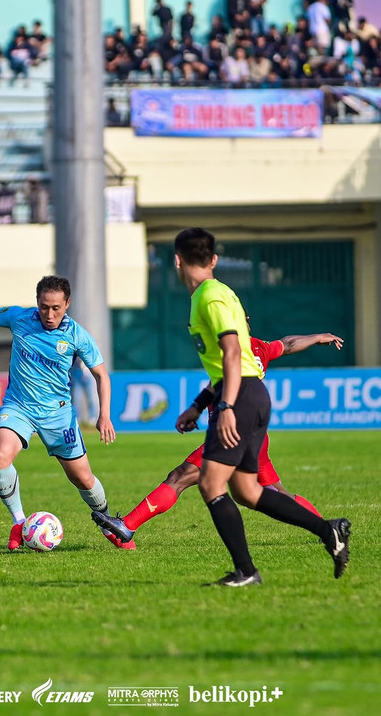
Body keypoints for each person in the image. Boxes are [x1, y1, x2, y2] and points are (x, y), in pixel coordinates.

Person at [139, 228, 350, 586]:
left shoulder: (210, 297)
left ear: (177, 260)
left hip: (242, 396)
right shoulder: (215, 294)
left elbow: (234, 354)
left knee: (210, 484)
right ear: (214, 259)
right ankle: (328, 531)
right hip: (246, 394)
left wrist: (227, 407)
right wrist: (198, 405)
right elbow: (226, 365)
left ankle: (246, 571)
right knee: (248, 491)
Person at [93, 323, 344, 546]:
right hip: (253, 434)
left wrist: (199, 408)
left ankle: (127, 526)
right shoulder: (258, 348)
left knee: (181, 476)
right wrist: (317, 336)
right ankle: (328, 529)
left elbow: (225, 382)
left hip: (232, 431)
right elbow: (287, 344)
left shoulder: (229, 352)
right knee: (275, 493)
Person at [0, 275, 133, 551]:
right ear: (37, 303)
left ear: (67, 304)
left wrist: (104, 414)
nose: (49, 313)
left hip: (58, 415)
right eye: (44, 306)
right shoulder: (20, 317)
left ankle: (108, 522)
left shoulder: (77, 335)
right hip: (18, 407)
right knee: (1, 455)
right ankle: (20, 522)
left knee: (82, 477)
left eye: (56, 307)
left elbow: (101, 375)